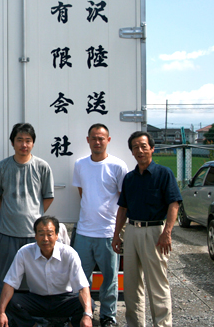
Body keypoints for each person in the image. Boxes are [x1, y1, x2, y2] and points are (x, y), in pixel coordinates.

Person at [112, 132, 182, 327]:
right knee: (132, 286)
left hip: (155, 233)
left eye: (143, 146)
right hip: (132, 231)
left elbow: (174, 204)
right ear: (132, 152)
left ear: (152, 148)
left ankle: (162, 324)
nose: (140, 150)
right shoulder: (130, 178)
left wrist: (167, 233)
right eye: (135, 147)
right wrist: (117, 234)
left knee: (157, 285)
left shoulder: (163, 174)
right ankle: (135, 324)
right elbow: (123, 208)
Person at [0, 123, 55, 322]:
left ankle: (37, 320)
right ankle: (0, 318)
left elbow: (48, 197)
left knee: (37, 281)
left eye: (28, 140)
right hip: (8, 233)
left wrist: (33, 216)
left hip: (34, 235)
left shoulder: (42, 166)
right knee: (6, 279)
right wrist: (11, 214)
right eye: (19, 140)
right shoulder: (1, 167)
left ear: (33, 143)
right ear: (12, 143)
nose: (24, 144)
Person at [72, 124, 128, 327]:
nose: (97, 142)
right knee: (80, 278)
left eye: (101, 138)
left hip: (108, 233)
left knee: (110, 279)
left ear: (108, 140)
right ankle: (85, 311)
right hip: (84, 232)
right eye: (94, 138)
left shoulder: (118, 166)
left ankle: (108, 316)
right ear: (88, 140)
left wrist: (118, 232)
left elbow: (124, 201)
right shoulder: (80, 164)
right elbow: (82, 192)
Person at [0, 216, 93, 327]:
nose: (45, 239)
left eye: (50, 234)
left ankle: (70, 325)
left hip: (64, 299)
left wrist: (87, 315)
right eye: (41, 234)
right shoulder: (24, 252)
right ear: (36, 236)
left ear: (57, 235)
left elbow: (82, 287)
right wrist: (1, 313)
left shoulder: (69, 253)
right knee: (11, 302)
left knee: (88, 304)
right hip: (37, 299)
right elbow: (10, 283)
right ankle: (34, 325)